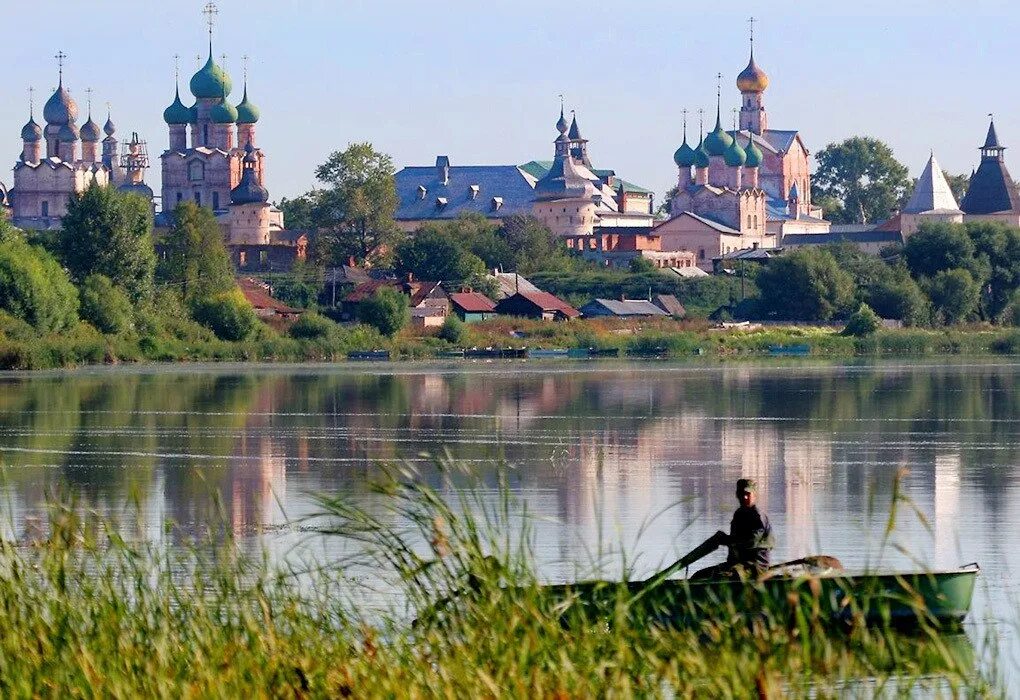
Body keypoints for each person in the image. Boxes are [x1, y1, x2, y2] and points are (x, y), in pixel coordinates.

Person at [692, 478, 774, 580]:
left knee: (718, 577)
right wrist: (723, 539)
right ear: (737, 495)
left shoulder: (757, 517)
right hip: (737, 565)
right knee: (699, 575)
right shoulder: (739, 514)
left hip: (754, 567)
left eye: (747, 494)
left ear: (754, 495)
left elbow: (751, 541)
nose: (744, 497)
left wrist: (725, 540)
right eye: (741, 494)